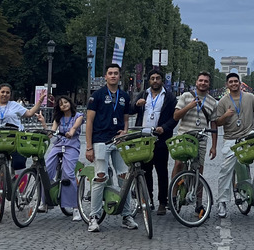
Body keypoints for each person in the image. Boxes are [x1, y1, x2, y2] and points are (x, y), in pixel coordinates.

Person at [84, 63, 137, 232]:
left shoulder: (124, 96)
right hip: (100, 140)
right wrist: (88, 146)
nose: (113, 76)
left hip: (118, 141)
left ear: (119, 76)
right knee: (100, 176)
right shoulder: (97, 96)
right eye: (110, 73)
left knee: (124, 178)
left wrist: (126, 131)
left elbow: (126, 118)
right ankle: (94, 216)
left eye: (116, 73)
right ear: (105, 77)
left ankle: (126, 215)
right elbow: (89, 122)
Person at [0, 80, 45, 215]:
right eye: (2, 92)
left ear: (10, 95)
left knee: (19, 163)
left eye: (7, 92)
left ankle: (19, 192)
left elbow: (29, 113)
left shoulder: (15, 105)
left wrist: (39, 102)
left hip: (14, 139)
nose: (5, 94)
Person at [214, 73, 254, 218]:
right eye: (231, 82)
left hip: (247, 135)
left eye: (236, 81)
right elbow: (217, 122)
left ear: (240, 83)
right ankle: (222, 202)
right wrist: (226, 115)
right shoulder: (223, 101)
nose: (233, 84)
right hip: (231, 139)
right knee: (225, 171)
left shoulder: (250, 97)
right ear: (227, 84)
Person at [171, 71, 219, 212]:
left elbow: (214, 124)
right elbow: (175, 116)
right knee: (179, 164)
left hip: (201, 140)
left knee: (199, 170)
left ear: (209, 84)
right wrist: (189, 106)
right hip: (184, 138)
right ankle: (173, 196)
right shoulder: (185, 96)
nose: (203, 83)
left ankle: (199, 203)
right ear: (196, 82)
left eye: (206, 81)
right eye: (201, 80)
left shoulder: (212, 102)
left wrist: (214, 146)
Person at [134, 69, 178, 216]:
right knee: (146, 171)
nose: (155, 81)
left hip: (161, 138)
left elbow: (175, 117)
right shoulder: (143, 94)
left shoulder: (170, 97)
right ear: (149, 81)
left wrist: (164, 128)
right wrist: (136, 104)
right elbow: (129, 109)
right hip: (144, 138)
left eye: (157, 78)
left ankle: (162, 202)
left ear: (162, 81)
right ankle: (148, 200)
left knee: (162, 172)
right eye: (152, 78)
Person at [36, 96, 83, 221]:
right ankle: (44, 202)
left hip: (71, 146)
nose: (64, 105)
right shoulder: (58, 118)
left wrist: (71, 132)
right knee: (46, 171)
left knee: (68, 174)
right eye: (61, 104)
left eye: (66, 102)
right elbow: (51, 134)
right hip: (59, 145)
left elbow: (74, 127)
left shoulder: (78, 115)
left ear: (70, 103)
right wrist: (43, 122)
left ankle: (75, 208)